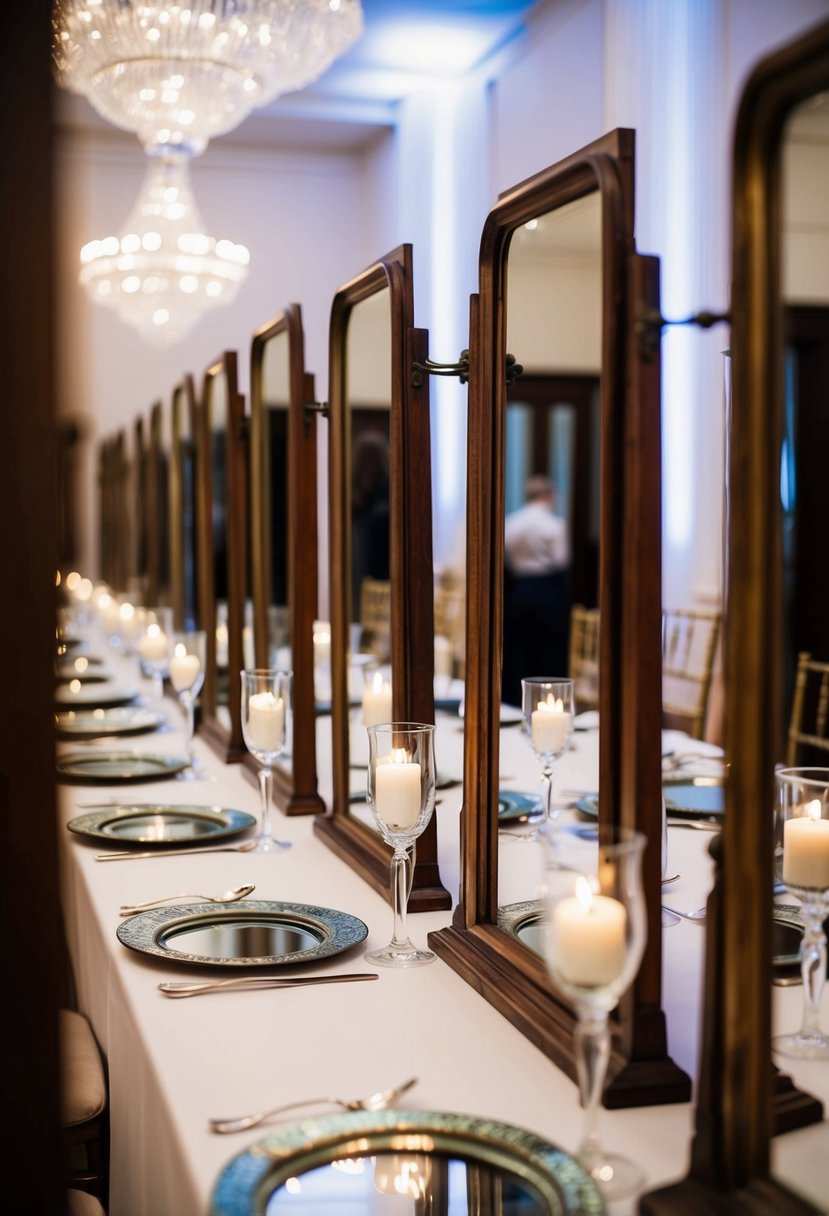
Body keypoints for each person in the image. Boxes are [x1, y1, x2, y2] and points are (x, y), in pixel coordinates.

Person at [501, 475, 571, 707]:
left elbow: (508, 559)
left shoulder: (512, 523)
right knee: (549, 651)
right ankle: (548, 704)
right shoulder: (554, 524)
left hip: (519, 591)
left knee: (520, 649)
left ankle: (516, 702)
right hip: (547, 590)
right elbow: (561, 560)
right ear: (549, 495)